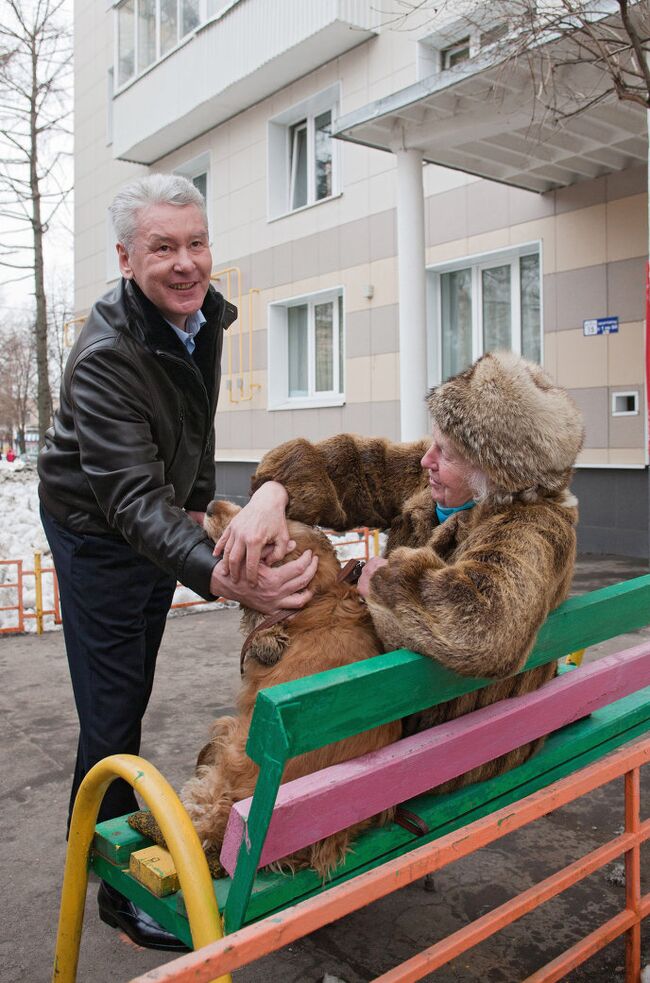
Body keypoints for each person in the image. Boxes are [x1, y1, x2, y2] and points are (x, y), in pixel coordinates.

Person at [38, 173, 317, 950]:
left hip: (155, 513)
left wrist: (198, 504)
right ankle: (106, 889)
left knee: (136, 676)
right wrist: (219, 570)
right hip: (95, 529)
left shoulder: (201, 317)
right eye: (165, 247)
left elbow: (194, 424)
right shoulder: (105, 357)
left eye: (197, 243)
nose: (187, 262)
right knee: (113, 712)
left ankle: (106, 860)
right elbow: (127, 500)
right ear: (127, 258)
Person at [216, 351, 585, 789]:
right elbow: (353, 467)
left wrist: (387, 584)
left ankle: (225, 817)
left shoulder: (534, 530)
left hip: (459, 740)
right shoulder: (450, 483)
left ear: (495, 471)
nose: (426, 460)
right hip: (413, 708)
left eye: (444, 452)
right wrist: (272, 495)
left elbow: (483, 631)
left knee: (297, 726)